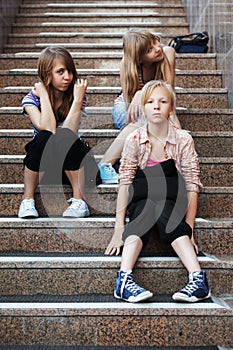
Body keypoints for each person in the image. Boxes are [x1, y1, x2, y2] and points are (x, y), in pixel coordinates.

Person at [105, 80, 211, 303]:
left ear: (171, 108)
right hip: (142, 198)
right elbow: (124, 182)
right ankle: (124, 280)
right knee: (146, 207)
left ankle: (197, 280)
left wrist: (189, 228)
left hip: (172, 198)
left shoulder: (183, 139)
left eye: (162, 101)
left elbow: (192, 184)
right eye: (150, 102)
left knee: (162, 205)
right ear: (143, 107)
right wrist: (119, 227)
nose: (156, 106)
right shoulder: (134, 139)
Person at [98, 28, 181, 185]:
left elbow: (168, 94)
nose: (157, 48)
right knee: (145, 119)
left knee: (152, 117)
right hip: (125, 109)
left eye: (156, 41)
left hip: (152, 108)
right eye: (150, 49)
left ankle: (108, 163)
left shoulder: (167, 53)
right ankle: (106, 164)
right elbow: (130, 108)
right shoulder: (126, 65)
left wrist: (141, 93)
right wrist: (137, 96)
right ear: (139, 59)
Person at [18, 46, 91, 219]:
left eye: (70, 71)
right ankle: (27, 200)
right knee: (44, 136)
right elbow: (48, 127)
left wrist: (79, 99)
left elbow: (69, 132)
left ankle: (79, 200)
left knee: (64, 135)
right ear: (47, 74)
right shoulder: (31, 100)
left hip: (72, 165)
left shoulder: (76, 96)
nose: (68, 77)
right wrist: (43, 94)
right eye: (60, 72)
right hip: (44, 167)